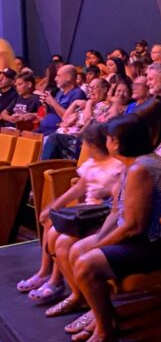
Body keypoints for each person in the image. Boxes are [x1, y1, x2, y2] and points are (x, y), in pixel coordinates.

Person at [66, 114, 161, 342]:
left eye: (108, 138)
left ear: (118, 143)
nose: (105, 143)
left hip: (158, 243)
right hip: (139, 238)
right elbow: (115, 212)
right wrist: (99, 240)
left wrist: (99, 247)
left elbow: (134, 227)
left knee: (86, 264)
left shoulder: (142, 169)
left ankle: (106, 334)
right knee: (77, 249)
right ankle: (104, 316)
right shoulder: (132, 164)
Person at [18, 123, 125, 311]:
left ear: (94, 144)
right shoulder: (90, 164)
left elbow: (120, 195)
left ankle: (58, 281)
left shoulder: (117, 165)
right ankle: (46, 272)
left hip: (102, 212)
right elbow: (78, 188)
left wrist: (106, 190)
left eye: (86, 144)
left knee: (59, 233)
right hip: (87, 210)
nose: (83, 148)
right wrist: (53, 206)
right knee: (51, 219)